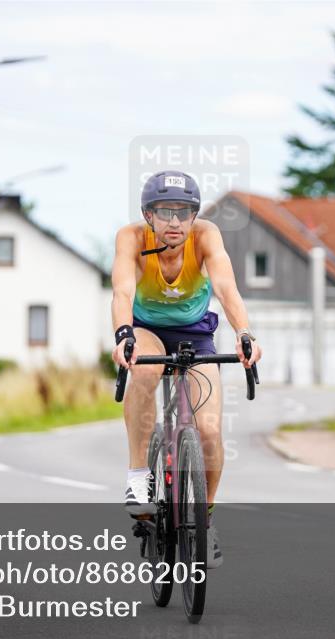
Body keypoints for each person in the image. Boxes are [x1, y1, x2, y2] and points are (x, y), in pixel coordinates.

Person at [111, 170, 262, 568]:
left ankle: (205, 521)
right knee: (143, 370)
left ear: (194, 215)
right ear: (148, 215)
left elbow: (227, 287)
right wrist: (123, 335)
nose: (174, 221)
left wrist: (244, 333)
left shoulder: (207, 236)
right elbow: (123, 290)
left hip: (195, 335)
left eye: (183, 212)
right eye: (165, 212)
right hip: (146, 330)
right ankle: (138, 473)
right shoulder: (130, 238)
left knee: (209, 430)